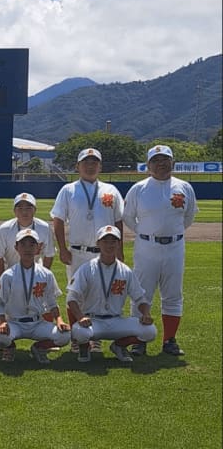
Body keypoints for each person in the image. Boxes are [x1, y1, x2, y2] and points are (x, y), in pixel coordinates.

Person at [123, 144, 198, 356]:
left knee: (173, 294)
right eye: (155, 160)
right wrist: (145, 232)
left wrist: (172, 233)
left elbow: (189, 216)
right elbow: (128, 217)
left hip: (175, 246)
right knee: (141, 293)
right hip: (146, 247)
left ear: (172, 162)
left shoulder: (184, 187)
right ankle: (139, 339)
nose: (161, 164)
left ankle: (170, 340)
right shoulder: (139, 188)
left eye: (165, 159)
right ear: (148, 165)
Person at [50, 148, 124, 353]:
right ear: (77, 166)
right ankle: (77, 336)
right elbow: (57, 221)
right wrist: (62, 249)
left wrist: (120, 251)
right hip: (78, 252)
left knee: (101, 293)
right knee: (76, 293)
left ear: (100, 166)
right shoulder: (68, 190)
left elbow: (118, 222)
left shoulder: (111, 190)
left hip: (105, 253)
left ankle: (95, 336)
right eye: (86, 162)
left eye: (94, 162)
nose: (90, 165)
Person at [66, 225, 157, 363]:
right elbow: (71, 298)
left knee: (150, 331)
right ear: (98, 243)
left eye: (113, 241)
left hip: (116, 320)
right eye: (105, 241)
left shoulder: (125, 271)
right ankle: (84, 348)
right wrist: (80, 317)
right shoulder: (86, 269)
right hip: (93, 321)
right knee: (79, 332)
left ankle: (119, 346)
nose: (109, 245)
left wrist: (146, 314)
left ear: (119, 244)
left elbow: (140, 298)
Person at [0, 229, 71, 364]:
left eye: (32, 244)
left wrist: (59, 320)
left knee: (65, 336)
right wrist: (3, 322)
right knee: (1, 337)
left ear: (38, 248)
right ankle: (10, 348)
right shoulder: (8, 275)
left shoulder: (46, 274)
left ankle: (39, 348)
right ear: (16, 247)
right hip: (14, 322)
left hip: (37, 323)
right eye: (23, 244)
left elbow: (52, 302)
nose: (27, 248)